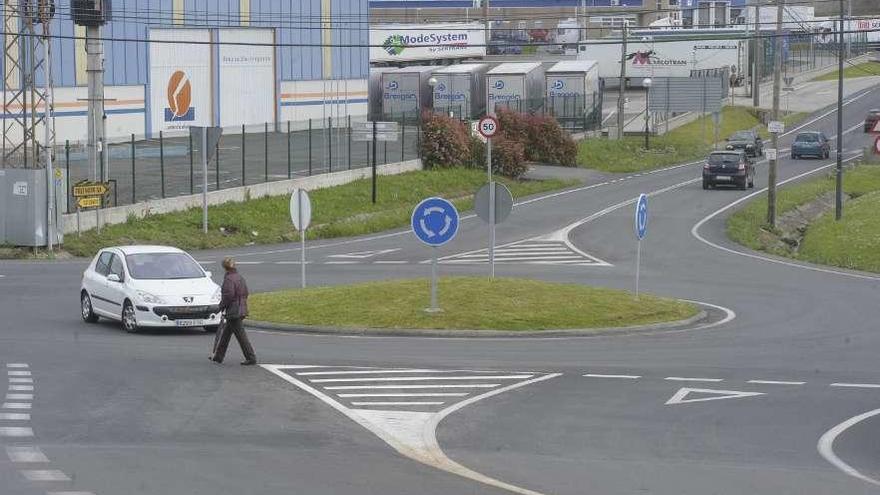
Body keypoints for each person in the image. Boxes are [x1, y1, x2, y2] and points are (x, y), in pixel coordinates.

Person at [210, 257, 257, 365]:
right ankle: (218, 356)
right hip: (241, 308)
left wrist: (220, 307)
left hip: (233, 311)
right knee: (225, 334)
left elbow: (228, 296)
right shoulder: (240, 277)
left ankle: (251, 357)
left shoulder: (229, 279)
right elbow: (246, 292)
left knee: (241, 337)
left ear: (224, 267)